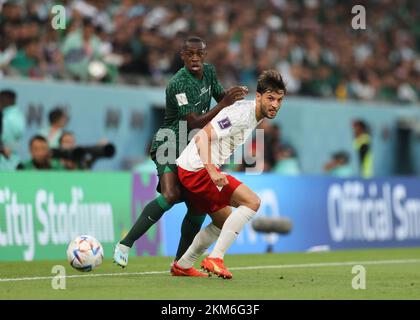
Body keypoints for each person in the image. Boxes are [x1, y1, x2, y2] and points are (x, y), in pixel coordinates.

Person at [113, 36, 248, 270]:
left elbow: (221, 99)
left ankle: (179, 264)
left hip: (193, 149)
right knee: (171, 195)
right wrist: (224, 103)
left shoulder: (210, 72)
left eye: (199, 54)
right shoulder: (178, 83)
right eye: (190, 54)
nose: (195, 58)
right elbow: (193, 121)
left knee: (197, 206)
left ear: (204, 56)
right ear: (182, 56)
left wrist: (241, 106)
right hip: (170, 142)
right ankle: (125, 244)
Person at [172, 69, 286, 278]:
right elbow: (201, 138)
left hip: (192, 168)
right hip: (197, 170)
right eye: (270, 98)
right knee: (252, 202)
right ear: (258, 96)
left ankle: (183, 264)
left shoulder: (254, 114)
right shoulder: (242, 114)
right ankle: (216, 258)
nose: (275, 105)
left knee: (223, 219)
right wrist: (212, 172)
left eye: (279, 100)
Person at [0, 89, 25, 171]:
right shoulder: (17, 116)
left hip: (7, 159)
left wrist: (4, 147)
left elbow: (10, 141)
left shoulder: (8, 118)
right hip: (12, 158)